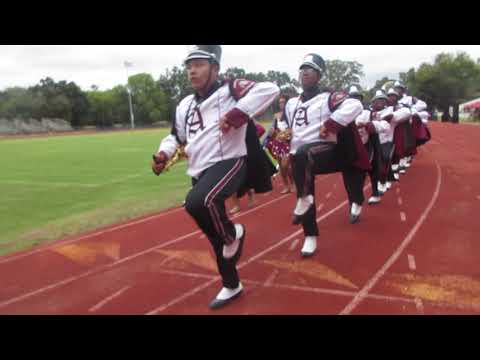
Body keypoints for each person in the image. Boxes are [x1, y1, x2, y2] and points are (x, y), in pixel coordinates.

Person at [152, 45, 280, 309]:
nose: (192, 71)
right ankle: (232, 284)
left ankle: (234, 233)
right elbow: (176, 137)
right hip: (200, 169)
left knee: (198, 202)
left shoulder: (230, 89)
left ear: (215, 68)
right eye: (188, 66)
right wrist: (163, 154)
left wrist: (236, 114)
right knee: (215, 236)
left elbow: (270, 89)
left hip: (230, 161)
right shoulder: (184, 105)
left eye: (198, 64)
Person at [286, 53, 367, 257]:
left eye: (310, 69)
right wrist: (284, 138)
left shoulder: (329, 97)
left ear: (319, 75)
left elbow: (355, 105)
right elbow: (292, 130)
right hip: (301, 155)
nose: (305, 72)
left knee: (307, 156)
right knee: (305, 191)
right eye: (302, 68)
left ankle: (354, 200)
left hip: (327, 151)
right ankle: (310, 236)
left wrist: (331, 124)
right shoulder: (290, 103)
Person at [354, 90, 392, 204]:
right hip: (353, 144)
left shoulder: (372, 113)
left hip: (373, 143)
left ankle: (376, 190)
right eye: (353, 97)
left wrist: (367, 125)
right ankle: (355, 198)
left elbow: (385, 126)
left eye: (383, 100)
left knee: (375, 166)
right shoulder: (344, 111)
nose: (381, 102)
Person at [266, 95, 295, 194]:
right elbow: (274, 128)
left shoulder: (292, 113)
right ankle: (286, 185)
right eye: (280, 102)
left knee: (285, 165)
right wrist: (271, 132)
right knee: (282, 167)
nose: (281, 104)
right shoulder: (276, 115)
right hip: (278, 143)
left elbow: (293, 127)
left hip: (289, 142)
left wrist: (287, 134)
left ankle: (293, 182)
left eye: (283, 102)